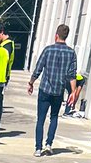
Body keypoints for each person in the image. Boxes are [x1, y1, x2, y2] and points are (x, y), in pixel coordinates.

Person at [28, 24, 78, 155]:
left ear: (56, 35)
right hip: (58, 91)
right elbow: (72, 75)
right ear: (66, 36)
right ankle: (49, 144)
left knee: (41, 119)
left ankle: (38, 148)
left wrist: (31, 82)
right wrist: (72, 92)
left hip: (45, 89)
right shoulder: (71, 53)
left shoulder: (48, 50)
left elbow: (38, 68)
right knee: (54, 117)